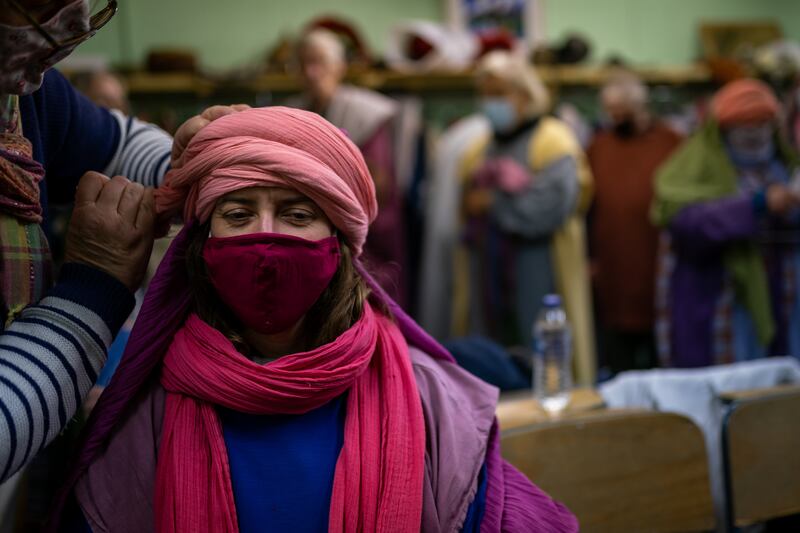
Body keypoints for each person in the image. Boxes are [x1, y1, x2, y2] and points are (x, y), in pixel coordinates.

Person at [47, 107, 578, 532]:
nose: (266, 235)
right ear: (202, 246)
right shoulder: (148, 413)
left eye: (298, 215)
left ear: (339, 246)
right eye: (238, 215)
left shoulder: (428, 400)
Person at [0, 0, 245, 482]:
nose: (78, 24)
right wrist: (92, 289)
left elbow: (117, 141)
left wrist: (183, 162)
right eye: (40, 4)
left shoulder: (22, 95)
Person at [457, 51, 596, 385]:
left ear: (524, 95)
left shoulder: (554, 140)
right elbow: (464, 204)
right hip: (490, 279)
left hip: (541, 271)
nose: (490, 103)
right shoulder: (481, 147)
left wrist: (494, 204)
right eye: (486, 95)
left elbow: (548, 210)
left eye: (499, 94)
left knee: (547, 361)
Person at [652, 78, 800, 367]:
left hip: (783, 300)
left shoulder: (783, 165)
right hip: (719, 305)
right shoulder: (695, 166)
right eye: (745, 129)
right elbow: (687, 223)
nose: (755, 136)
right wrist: (757, 205)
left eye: (763, 126)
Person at [287, 29, 408, 306]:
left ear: (339, 67)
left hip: (366, 237)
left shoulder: (367, 113)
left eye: (319, 62)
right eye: (303, 64)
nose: (311, 72)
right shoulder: (296, 113)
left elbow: (378, 184)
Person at [587, 72, 682, 374]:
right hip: (614, 272)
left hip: (659, 268)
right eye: (610, 111)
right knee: (618, 361)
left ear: (640, 106)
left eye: (622, 110)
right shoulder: (598, 146)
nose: (615, 117)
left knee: (662, 358)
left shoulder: (672, 142)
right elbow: (587, 208)